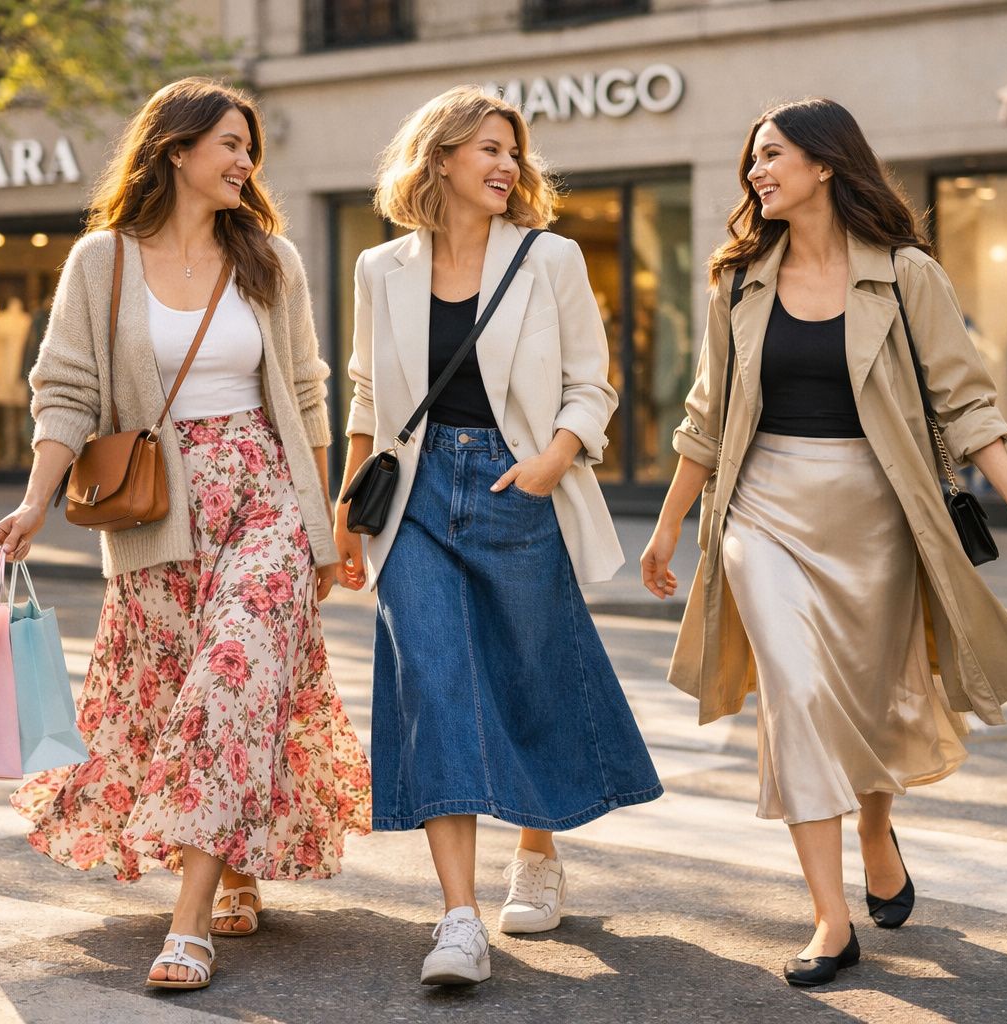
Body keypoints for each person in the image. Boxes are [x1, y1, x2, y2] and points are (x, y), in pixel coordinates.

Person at [640, 98, 1007, 988]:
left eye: (772, 155)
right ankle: (830, 920)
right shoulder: (740, 280)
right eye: (753, 158)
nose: (756, 172)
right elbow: (708, 414)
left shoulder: (907, 275)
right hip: (763, 507)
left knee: (867, 702)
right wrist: (672, 520)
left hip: (878, 509)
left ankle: (876, 831)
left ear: (825, 163)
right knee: (795, 694)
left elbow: (962, 396)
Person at [0, 77, 370, 991]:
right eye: (231, 144)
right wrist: (36, 501)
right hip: (156, 506)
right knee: (176, 695)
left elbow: (306, 394)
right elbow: (66, 390)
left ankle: (189, 923)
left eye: (251, 148)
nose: (246, 161)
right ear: (176, 150)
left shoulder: (270, 259)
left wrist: (321, 523)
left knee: (234, 673)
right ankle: (232, 866)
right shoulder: (103, 261)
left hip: (266, 497)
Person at [335, 85, 662, 988]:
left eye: (513, 151)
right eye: (488, 148)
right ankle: (458, 918)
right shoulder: (381, 269)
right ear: (439, 158)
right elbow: (367, 394)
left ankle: (538, 850)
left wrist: (554, 458)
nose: (507, 165)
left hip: (515, 482)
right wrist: (347, 509)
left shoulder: (550, 258)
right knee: (436, 686)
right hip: (413, 494)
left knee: (529, 675)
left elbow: (592, 384)